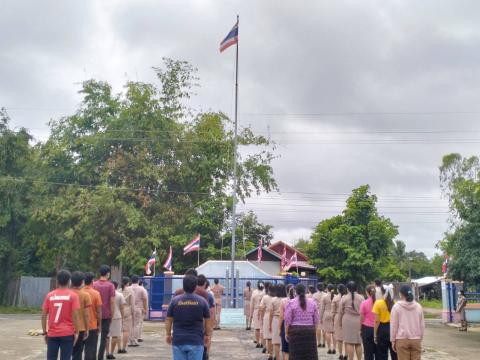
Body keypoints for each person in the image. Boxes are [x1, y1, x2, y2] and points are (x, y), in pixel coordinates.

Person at [166, 274, 212, 360]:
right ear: (195, 287)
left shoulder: (175, 301)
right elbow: (208, 320)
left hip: (178, 340)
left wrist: (168, 334)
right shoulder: (202, 301)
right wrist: (207, 335)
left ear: (183, 286)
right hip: (196, 341)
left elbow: (168, 319)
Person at [41, 270, 80, 360]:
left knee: (51, 358)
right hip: (67, 333)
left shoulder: (49, 295)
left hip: (52, 333)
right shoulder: (73, 296)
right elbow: (75, 316)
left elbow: (43, 315)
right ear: (69, 281)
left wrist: (44, 332)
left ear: (57, 281)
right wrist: (77, 332)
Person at [284, 283, 319, 360]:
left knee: (296, 355)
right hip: (309, 331)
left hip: (295, 331)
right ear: (305, 291)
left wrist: (286, 332)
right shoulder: (313, 302)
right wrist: (314, 331)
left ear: (295, 291)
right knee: (310, 354)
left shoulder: (291, 302)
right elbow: (316, 320)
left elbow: (287, 320)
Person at [390, 285, 425, 360]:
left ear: (401, 294)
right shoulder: (418, 306)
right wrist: (420, 338)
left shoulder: (396, 307)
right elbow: (422, 325)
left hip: (401, 340)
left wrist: (393, 340)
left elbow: (394, 326)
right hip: (416, 339)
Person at [93, 265, 116, 360]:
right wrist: (112, 315)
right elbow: (112, 302)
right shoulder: (110, 285)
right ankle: (100, 357)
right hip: (106, 315)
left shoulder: (94, 284)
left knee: (93, 338)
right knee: (104, 338)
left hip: (95, 315)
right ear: (108, 274)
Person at [339, 281, 363, 360]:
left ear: (347, 288)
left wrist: (339, 323)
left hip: (347, 321)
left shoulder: (344, 298)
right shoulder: (361, 297)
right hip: (359, 321)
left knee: (349, 342)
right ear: (356, 288)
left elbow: (340, 312)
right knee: (358, 342)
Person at [71, 271, 92, 360]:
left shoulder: (68, 293)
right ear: (82, 282)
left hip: (68, 327)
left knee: (68, 351)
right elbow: (87, 314)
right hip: (81, 327)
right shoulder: (85, 295)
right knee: (78, 352)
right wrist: (87, 329)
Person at [373, 284, 397, 360]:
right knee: (395, 353)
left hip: (382, 329)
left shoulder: (378, 303)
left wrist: (374, 334)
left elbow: (377, 321)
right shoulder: (395, 303)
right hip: (393, 329)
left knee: (382, 353)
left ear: (382, 292)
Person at [83, 272, 103, 360]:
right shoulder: (96, 294)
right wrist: (99, 325)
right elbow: (99, 312)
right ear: (92, 281)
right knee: (90, 349)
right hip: (92, 325)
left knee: (78, 350)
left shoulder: (78, 293)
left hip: (79, 325)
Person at [106, 280, 125, 359]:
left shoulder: (105, 294)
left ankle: (107, 352)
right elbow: (122, 307)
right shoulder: (120, 295)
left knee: (106, 336)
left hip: (106, 316)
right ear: (117, 286)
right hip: (117, 317)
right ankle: (111, 353)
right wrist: (122, 317)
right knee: (115, 336)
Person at [130, 275, 148, 347]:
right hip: (138, 308)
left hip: (130, 308)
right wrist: (145, 308)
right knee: (137, 325)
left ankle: (130, 340)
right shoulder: (141, 289)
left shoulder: (128, 288)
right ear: (138, 281)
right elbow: (145, 299)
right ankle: (135, 340)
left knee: (131, 324)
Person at [360, 285, 377, 360]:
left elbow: (362, 317)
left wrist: (360, 329)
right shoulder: (379, 302)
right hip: (378, 329)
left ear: (367, 292)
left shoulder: (364, 303)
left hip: (367, 329)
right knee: (378, 352)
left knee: (368, 352)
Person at [119, 277, 134, 354]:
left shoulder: (119, 290)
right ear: (128, 283)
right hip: (127, 310)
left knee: (118, 331)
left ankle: (118, 347)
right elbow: (132, 304)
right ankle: (123, 348)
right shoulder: (130, 291)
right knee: (126, 330)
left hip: (119, 311)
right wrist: (133, 313)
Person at [319, 284, 336, 354]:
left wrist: (320, 317)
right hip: (334, 314)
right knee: (334, 332)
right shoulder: (336, 297)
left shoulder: (324, 297)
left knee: (327, 332)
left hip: (326, 314)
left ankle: (329, 348)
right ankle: (334, 348)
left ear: (327, 289)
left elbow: (322, 308)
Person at [279, 284, 294, 360]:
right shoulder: (298, 301)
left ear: (286, 291)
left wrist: (279, 328)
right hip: (296, 325)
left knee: (286, 350)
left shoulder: (284, 301)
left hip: (285, 324)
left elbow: (281, 316)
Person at [260, 283, 274, 358]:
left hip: (267, 315)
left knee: (268, 336)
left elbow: (261, 308)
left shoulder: (265, 297)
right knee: (274, 336)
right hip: (275, 316)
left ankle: (270, 353)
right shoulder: (276, 297)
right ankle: (274, 353)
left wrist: (261, 317)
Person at [332, 283, 347, 360]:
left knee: (339, 338)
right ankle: (346, 354)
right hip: (346, 317)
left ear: (338, 290)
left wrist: (333, 320)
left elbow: (333, 312)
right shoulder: (347, 297)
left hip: (337, 317)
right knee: (346, 338)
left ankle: (340, 354)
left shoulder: (335, 298)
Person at [270, 284, 284, 360]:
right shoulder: (288, 299)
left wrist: (269, 324)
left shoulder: (273, 300)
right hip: (285, 321)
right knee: (284, 342)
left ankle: (277, 358)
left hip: (275, 320)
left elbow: (271, 313)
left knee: (276, 341)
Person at [250, 281, 265, 348]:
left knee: (257, 328)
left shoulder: (254, 292)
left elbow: (252, 304)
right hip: (264, 311)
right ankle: (263, 342)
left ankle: (258, 342)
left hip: (256, 310)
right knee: (263, 328)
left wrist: (251, 313)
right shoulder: (265, 292)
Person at [312, 282, 326, 348]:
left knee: (318, 328)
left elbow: (313, 304)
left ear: (317, 287)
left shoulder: (314, 295)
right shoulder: (325, 295)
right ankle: (324, 343)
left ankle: (319, 342)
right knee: (324, 328)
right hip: (324, 312)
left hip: (317, 311)